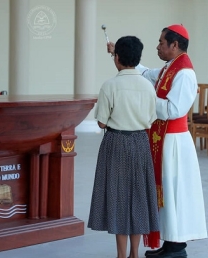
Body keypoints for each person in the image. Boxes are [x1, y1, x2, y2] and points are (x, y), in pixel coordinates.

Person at [108, 24, 208, 258]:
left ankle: (177, 247)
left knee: (173, 194)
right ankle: (169, 242)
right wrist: (118, 54)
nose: (158, 46)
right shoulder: (169, 68)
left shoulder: (185, 73)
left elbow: (174, 109)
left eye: (162, 42)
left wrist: (146, 97)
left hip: (174, 142)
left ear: (175, 45)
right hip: (161, 139)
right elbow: (143, 73)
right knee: (164, 193)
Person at [88, 36, 159, 258]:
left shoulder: (110, 85)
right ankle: (134, 254)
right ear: (138, 58)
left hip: (116, 142)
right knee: (137, 196)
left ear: (116, 58)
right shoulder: (148, 86)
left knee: (118, 197)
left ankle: (121, 255)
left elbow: (101, 122)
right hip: (140, 142)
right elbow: (151, 120)